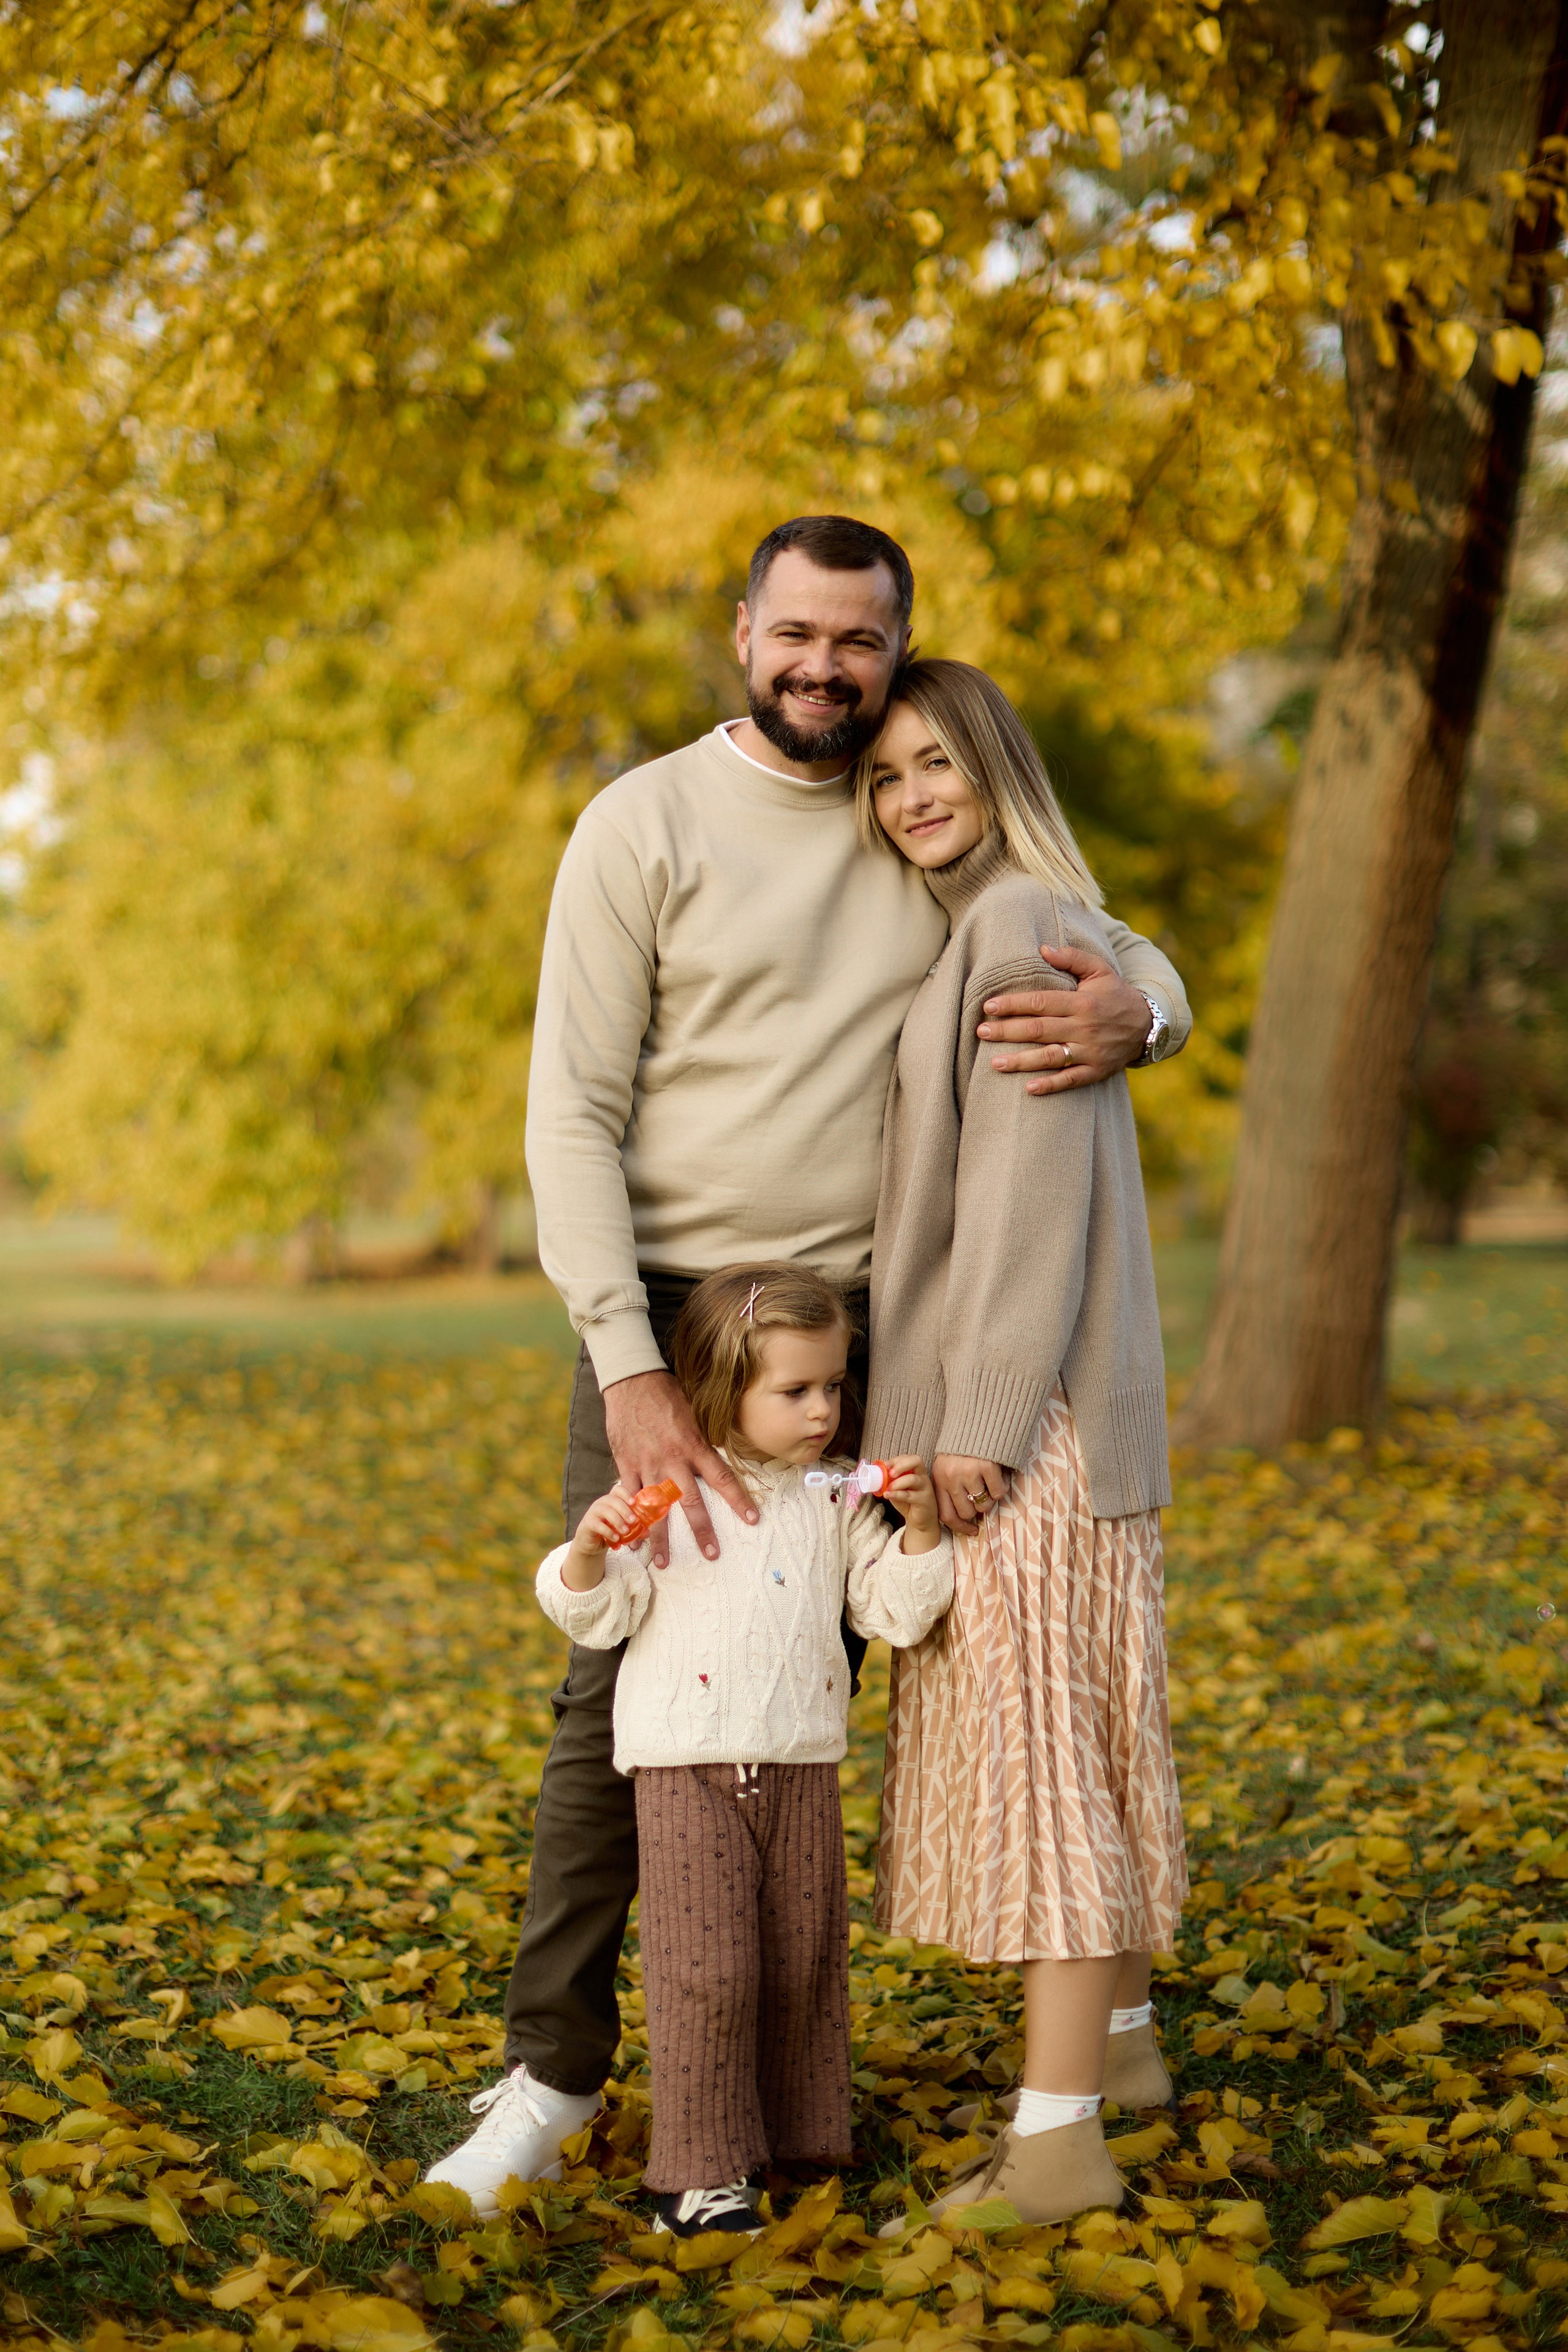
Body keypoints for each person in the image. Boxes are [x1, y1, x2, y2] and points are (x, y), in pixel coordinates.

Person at [425, 514, 1191, 2212]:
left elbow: (1081, 928)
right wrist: (627, 1364)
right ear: (743, 630)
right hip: (677, 1320)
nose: (825, 669)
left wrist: (1148, 1009)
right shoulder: (643, 824)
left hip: (861, 1331)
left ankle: (784, 2084)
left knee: (802, 1707)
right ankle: (552, 2076)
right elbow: (570, 1112)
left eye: (858, 641)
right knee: (620, 1704)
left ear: (894, 648)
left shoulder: (904, 819)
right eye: (797, 635)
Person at [858, 659, 1188, 2228]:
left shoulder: (1005, 926)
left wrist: (973, 1424)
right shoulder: (1027, 917)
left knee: (1048, 1771)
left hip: (1025, 1428)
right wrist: (1157, 1002)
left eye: (937, 762)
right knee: (1088, 1745)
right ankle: (1118, 2045)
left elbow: (1020, 1193)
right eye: (884, 776)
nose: (910, 795)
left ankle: (1055, 2148)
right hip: (1070, 1419)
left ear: (994, 767)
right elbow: (1134, 965)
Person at [534, 1264, 952, 2236]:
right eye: (794, 1390)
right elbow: (595, 1617)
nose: (824, 1410)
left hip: (802, 1764)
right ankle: (699, 2173)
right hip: (686, 1767)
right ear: (724, 1388)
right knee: (708, 1972)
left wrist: (922, 1532)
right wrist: (589, 1550)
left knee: (801, 1963)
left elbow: (889, 1611)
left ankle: (794, 2135)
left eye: (834, 1385)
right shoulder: (666, 1498)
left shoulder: (838, 1497)